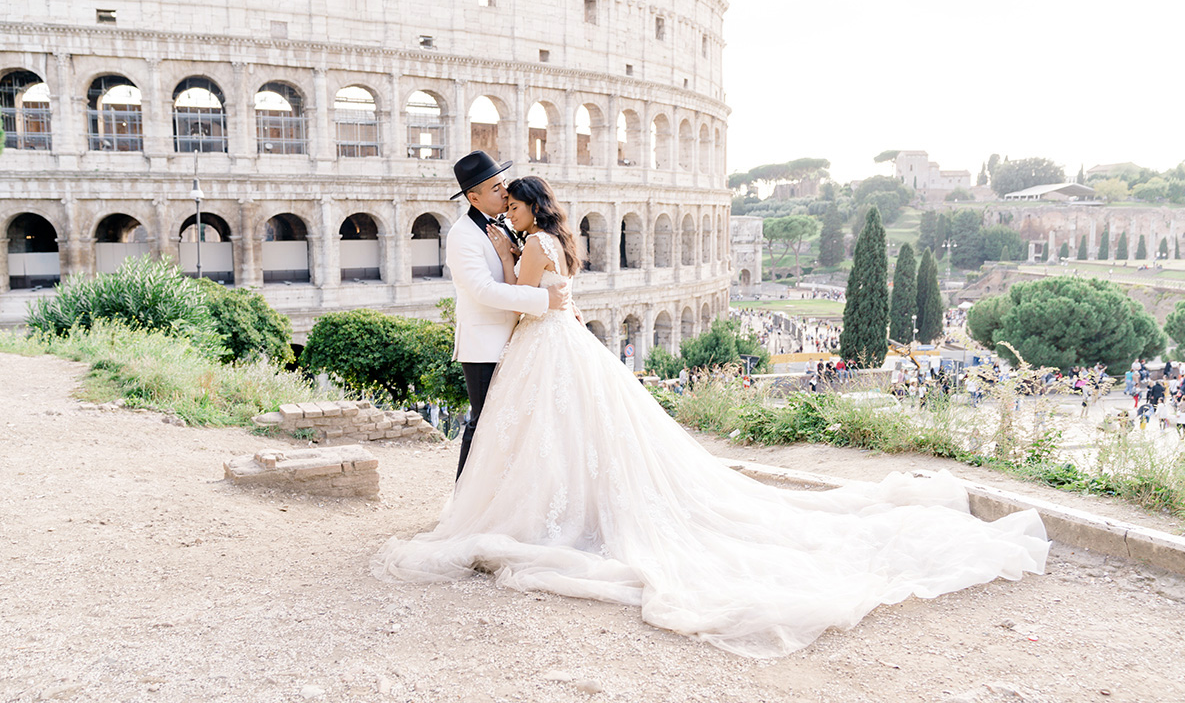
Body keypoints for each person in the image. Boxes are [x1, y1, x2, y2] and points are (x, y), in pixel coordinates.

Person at [373, 177, 1048, 659]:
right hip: (560, 345)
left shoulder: (529, 242)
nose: (508, 209)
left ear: (525, 205)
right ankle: (557, 506)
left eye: (513, 201)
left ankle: (542, 511)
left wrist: (517, 277)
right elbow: (553, 295)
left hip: (541, 344)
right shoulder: (551, 237)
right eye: (503, 200)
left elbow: (524, 302)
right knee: (570, 436)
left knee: (549, 437)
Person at [443, 151, 570, 480]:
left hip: (520, 340)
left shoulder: (504, 225)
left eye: (504, 185)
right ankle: (463, 501)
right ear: (474, 197)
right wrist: (545, 298)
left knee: (513, 425)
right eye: (497, 188)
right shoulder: (462, 235)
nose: (505, 192)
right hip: (485, 344)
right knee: (483, 423)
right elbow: (484, 290)